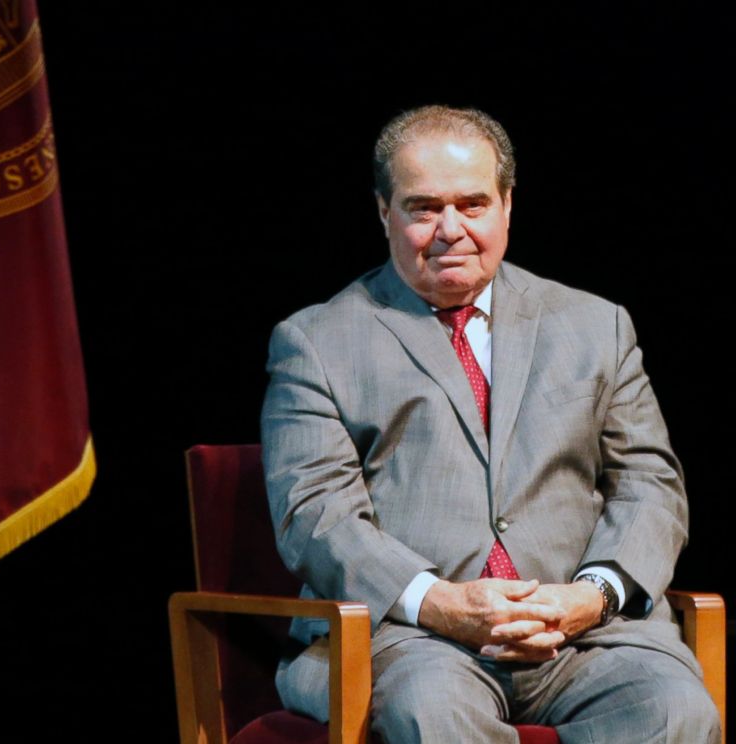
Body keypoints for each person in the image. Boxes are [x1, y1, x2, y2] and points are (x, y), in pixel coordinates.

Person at [260, 105, 720, 743]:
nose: (451, 229)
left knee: (674, 708)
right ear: (383, 212)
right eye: (423, 208)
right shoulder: (316, 341)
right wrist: (443, 603)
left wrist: (593, 595)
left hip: (582, 635)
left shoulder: (597, 326)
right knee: (433, 711)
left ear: (507, 204)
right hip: (410, 637)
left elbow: (650, 483)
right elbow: (315, 516)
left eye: (473, 204)